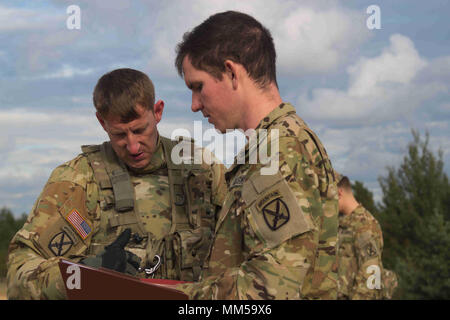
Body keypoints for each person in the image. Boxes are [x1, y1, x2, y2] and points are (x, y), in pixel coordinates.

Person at [6, 68, 227, 299]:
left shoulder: (203, 171)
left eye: (140, 130)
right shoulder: (79, 181)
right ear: (102, 122)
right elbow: (18, 275)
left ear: (158, 111)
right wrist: (87, 273)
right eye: (120, 135)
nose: (133, 146)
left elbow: (252, 258)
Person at [174, 11, 339, 299]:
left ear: (231, 73)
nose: (194, 105)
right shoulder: (274, 144)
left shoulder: (278, 150)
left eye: (198, 87)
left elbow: (272, 289)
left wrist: (186, 300)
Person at [335, 172, 398, 299]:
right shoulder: (341, 223)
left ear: (339, 193)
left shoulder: (365, 226)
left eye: (326, 198)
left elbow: (371, 277)